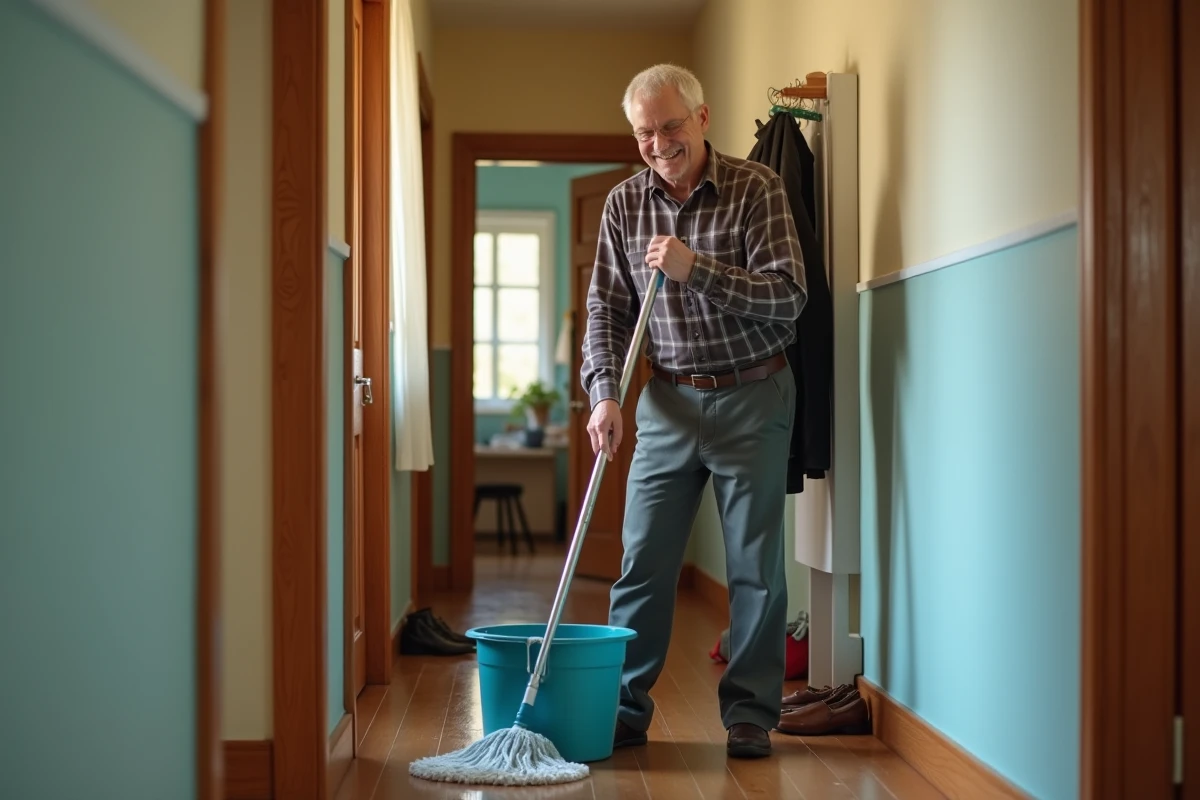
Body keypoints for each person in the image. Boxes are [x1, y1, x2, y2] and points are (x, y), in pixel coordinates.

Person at [580, 63, 808, 759]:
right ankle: (623, 708)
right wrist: (606, 393)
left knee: (754, 568)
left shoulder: (755, 188)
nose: (659, 143)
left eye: (671, 126)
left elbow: (788, 297)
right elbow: (607, 311)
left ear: (702, 119)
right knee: (643, 562)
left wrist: (694, 270)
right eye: (645, 132)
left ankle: (750, 713)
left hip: (752, 392)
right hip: (667, 402)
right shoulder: (624, 204)